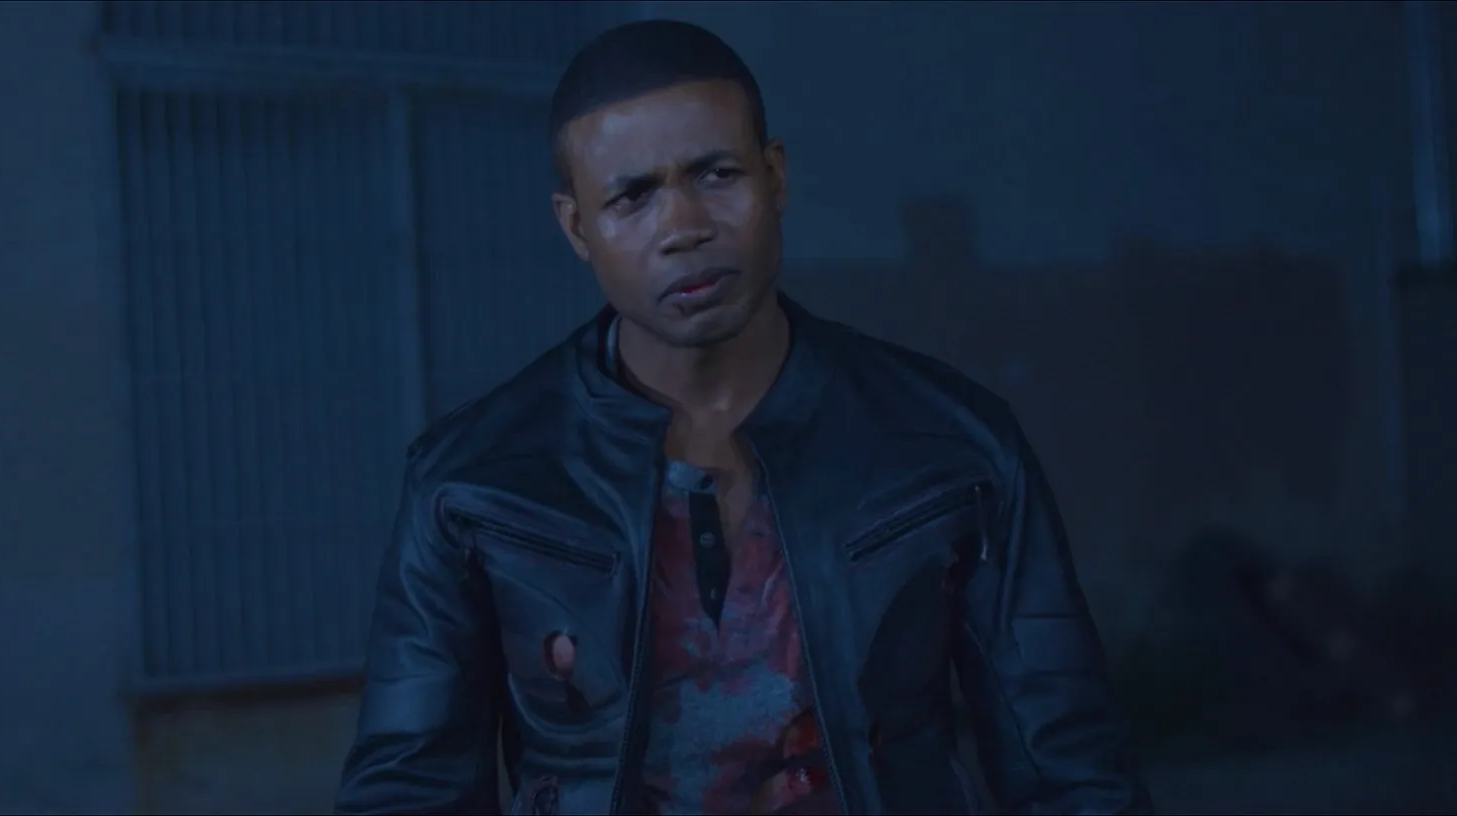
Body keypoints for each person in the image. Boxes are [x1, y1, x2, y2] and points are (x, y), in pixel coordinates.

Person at [334, 18, 1149, 816]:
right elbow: (409, 789)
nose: (684, 228)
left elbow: (1070, 768)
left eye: (717, 174)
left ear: (775, 177)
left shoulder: (953, 445)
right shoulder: (471, 479)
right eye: (633, 196)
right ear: (578, 227)